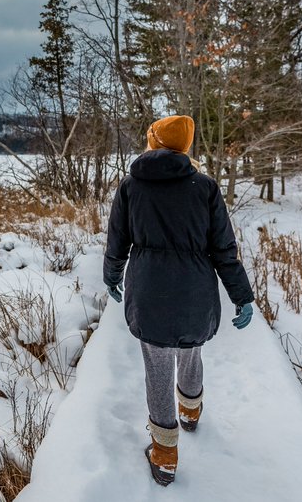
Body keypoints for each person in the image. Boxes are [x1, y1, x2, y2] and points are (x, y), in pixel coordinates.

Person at [103, 114, 255, 486]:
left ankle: (165, 454)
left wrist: (111, 276)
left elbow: (117, 240)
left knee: (157, 369)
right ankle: (190, 412)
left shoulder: (130, 186)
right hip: (194, 294)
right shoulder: (204, 187)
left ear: (153, 142)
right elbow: (224, 248)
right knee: (190, 352)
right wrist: (242, 296)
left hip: (149, 292)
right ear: (185, 147)